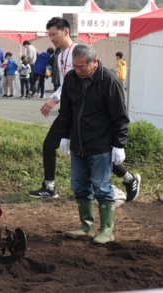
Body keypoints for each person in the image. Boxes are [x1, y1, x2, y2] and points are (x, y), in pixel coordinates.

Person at [28, 16, 140, 202]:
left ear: (65, 31)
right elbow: (68, 83)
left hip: (88, 112)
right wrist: (56, 99)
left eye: (54, 34)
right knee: (51, 144)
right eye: (49, 35)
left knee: (98, 152)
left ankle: (128, 178)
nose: (52, 38)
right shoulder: (60, 55)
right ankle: (50, 186)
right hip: (71, 110)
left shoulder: (79, 52)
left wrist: (54, 99)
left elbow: (84, 78)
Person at [58, 44, 129, 244]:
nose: (78, 70)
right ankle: (86, 226)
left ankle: (107, 230)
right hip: (78, 144)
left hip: (100, 145)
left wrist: (119, 144)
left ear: (94, 62)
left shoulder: (109, 81)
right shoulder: (71, 79)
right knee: (79, 186)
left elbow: (120, 117)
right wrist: (64, 136)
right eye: (75, 66)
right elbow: (66, 112)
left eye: (82, 67)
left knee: (101, 186)